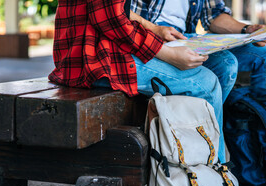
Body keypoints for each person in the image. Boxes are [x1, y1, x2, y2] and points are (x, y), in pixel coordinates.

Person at [48, 0, 234, 163]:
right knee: (206, 83)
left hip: (97, 51)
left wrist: (155, 33)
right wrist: (168, 54)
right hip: (94, 59)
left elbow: (116, 13)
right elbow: (110, 19)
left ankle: (187, 169)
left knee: (221, 66)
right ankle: (217, 179)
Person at [131, 0, 266, 97]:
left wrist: (246, 29)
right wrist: (153, 29)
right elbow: (117, 12)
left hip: (182, 36)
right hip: (144, 32)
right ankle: (207, 130)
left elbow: (213, 15)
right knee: (225, 63)